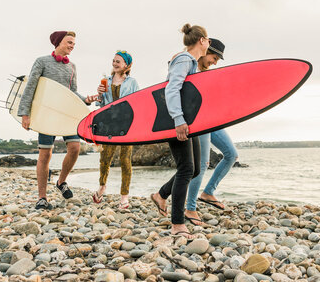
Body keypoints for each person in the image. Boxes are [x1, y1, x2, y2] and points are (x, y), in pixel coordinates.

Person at [18, 31, 98, 210]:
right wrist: (25, 113)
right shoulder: (42, 61)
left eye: (73, 44)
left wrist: (85, 99)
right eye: (69, 42)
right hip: (46, 114)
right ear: (58, 42)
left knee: (75, 148)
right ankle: (42, 197)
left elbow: (72, 93)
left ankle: (61, 181)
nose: (72, 46)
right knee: (45, 154)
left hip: (66, 114)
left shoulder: (72, 67)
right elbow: (30, 86)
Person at [150, 23, 211, 239]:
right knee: (186, 168)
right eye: (208, 39)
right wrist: (178, 119)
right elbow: (172, 88)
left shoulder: (191, 62)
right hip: (176, 120)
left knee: (193, 169)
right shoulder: (184, 60)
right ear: (202, 41)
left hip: (185, 120)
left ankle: (161, 194)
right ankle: (177, 223)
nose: (209, 43)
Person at [183, 38, 239, 226]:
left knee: (231, 154)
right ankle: (190, 208)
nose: (215, 62)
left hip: (212, 121)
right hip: (198, 122)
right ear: (206, 51)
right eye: (214, 58)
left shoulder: (208, 74)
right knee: (202, 164)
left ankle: (208, 192)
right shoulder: (190, 68)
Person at [92, 50, 139, 208]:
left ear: (126, 65)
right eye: (113, 60)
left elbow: (138, 103)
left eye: (118, 61)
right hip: (108, 124)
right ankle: (102, 187)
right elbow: (101, 105)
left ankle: (124, 197)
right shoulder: (106, 80)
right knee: (105, 158)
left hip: (126, 125)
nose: (115, 63)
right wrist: (99, 95)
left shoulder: (132, 82)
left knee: (125, 160)